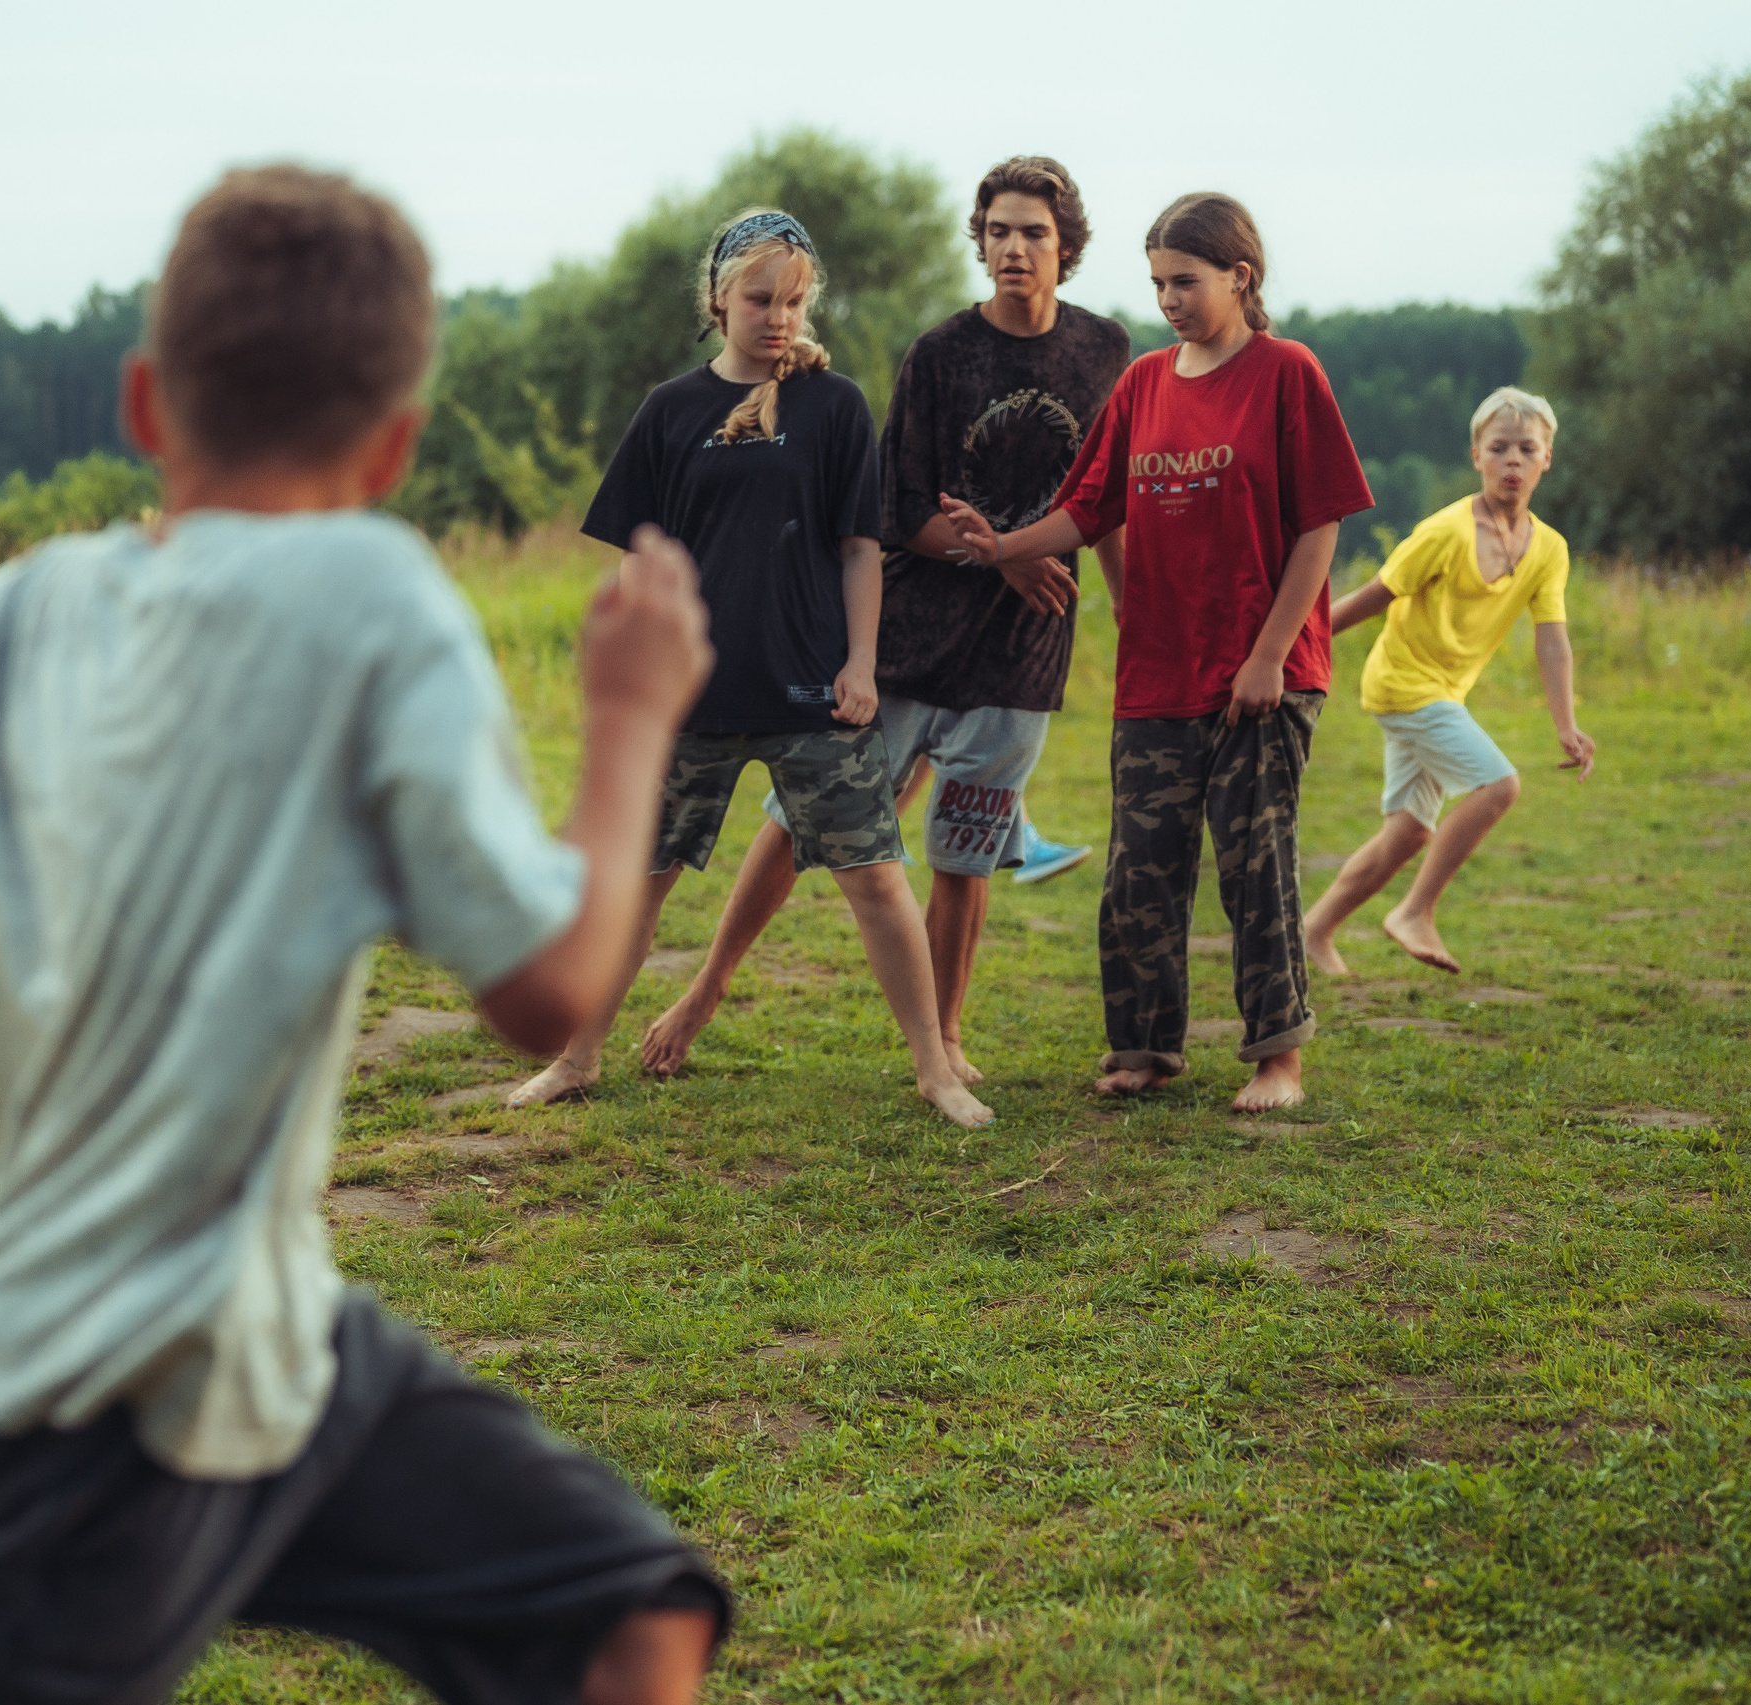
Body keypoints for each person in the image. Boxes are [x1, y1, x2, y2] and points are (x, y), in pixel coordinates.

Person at [0, 166, 730, 1705]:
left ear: (141, 402)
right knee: (627, 1634)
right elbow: (555, 991)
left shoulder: (12, 615)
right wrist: (631, 716)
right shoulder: (373, 595)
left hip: (278, 1343)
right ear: (394, 444)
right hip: (98, 1395)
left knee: (629, 1609)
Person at [639, 160, 1133, 1085]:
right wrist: (1000, 553)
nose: (1012, 248)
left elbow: (1107, 500)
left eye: (1031, 231)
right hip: (910, 638)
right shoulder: (941, 353)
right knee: (799, 821)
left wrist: (1126, 608)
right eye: (996, 230)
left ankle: (943, 1040)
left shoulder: (1108, 351)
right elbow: (895, 509)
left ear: (1066, 243)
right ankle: (708, 984)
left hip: (1023, 651)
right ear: (978, 241)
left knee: (967, 850)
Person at [505, 208, 990, 1127]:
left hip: (815, 694)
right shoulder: (670, 410)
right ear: (719, 297)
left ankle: (936, 1070)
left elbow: (859, 551)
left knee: (879, 879)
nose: (777, 316)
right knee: (637, 887)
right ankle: (577, 1058)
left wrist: (860, 665)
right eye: (759, 297)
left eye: (794, 300)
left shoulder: (835, 406)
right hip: (692, 695)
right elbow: (641, 558)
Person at [941, 192, 1374, 1113]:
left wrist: (1268, 655)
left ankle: (1277, 1059)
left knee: (1257, 867)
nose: (1169, 299)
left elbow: (1320, 526)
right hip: (1157, 672)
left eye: (1185, 281)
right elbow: (1088, 507)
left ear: (1240, 278)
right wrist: (1001, 547)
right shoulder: (1143, 384)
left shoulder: (1287, 372)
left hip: (1264, 673)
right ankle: (1144, 1047)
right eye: (1157, 283)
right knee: (1140, 867)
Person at [1302, 388, 1592, 975]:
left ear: (1547, 459)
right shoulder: (1446, 531)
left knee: (1408, 832)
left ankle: (1313, 931)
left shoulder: (1549, 549)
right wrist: (1290, 642)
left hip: (1442, 693)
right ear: (1476, 456)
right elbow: (1373, 597)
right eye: (1499, 448)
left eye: (1526, 449)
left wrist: (1567, 724)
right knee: (1498, 786)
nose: (1513, 460)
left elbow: (1551, 638)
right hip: (1403, 686)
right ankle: (1415, 911)